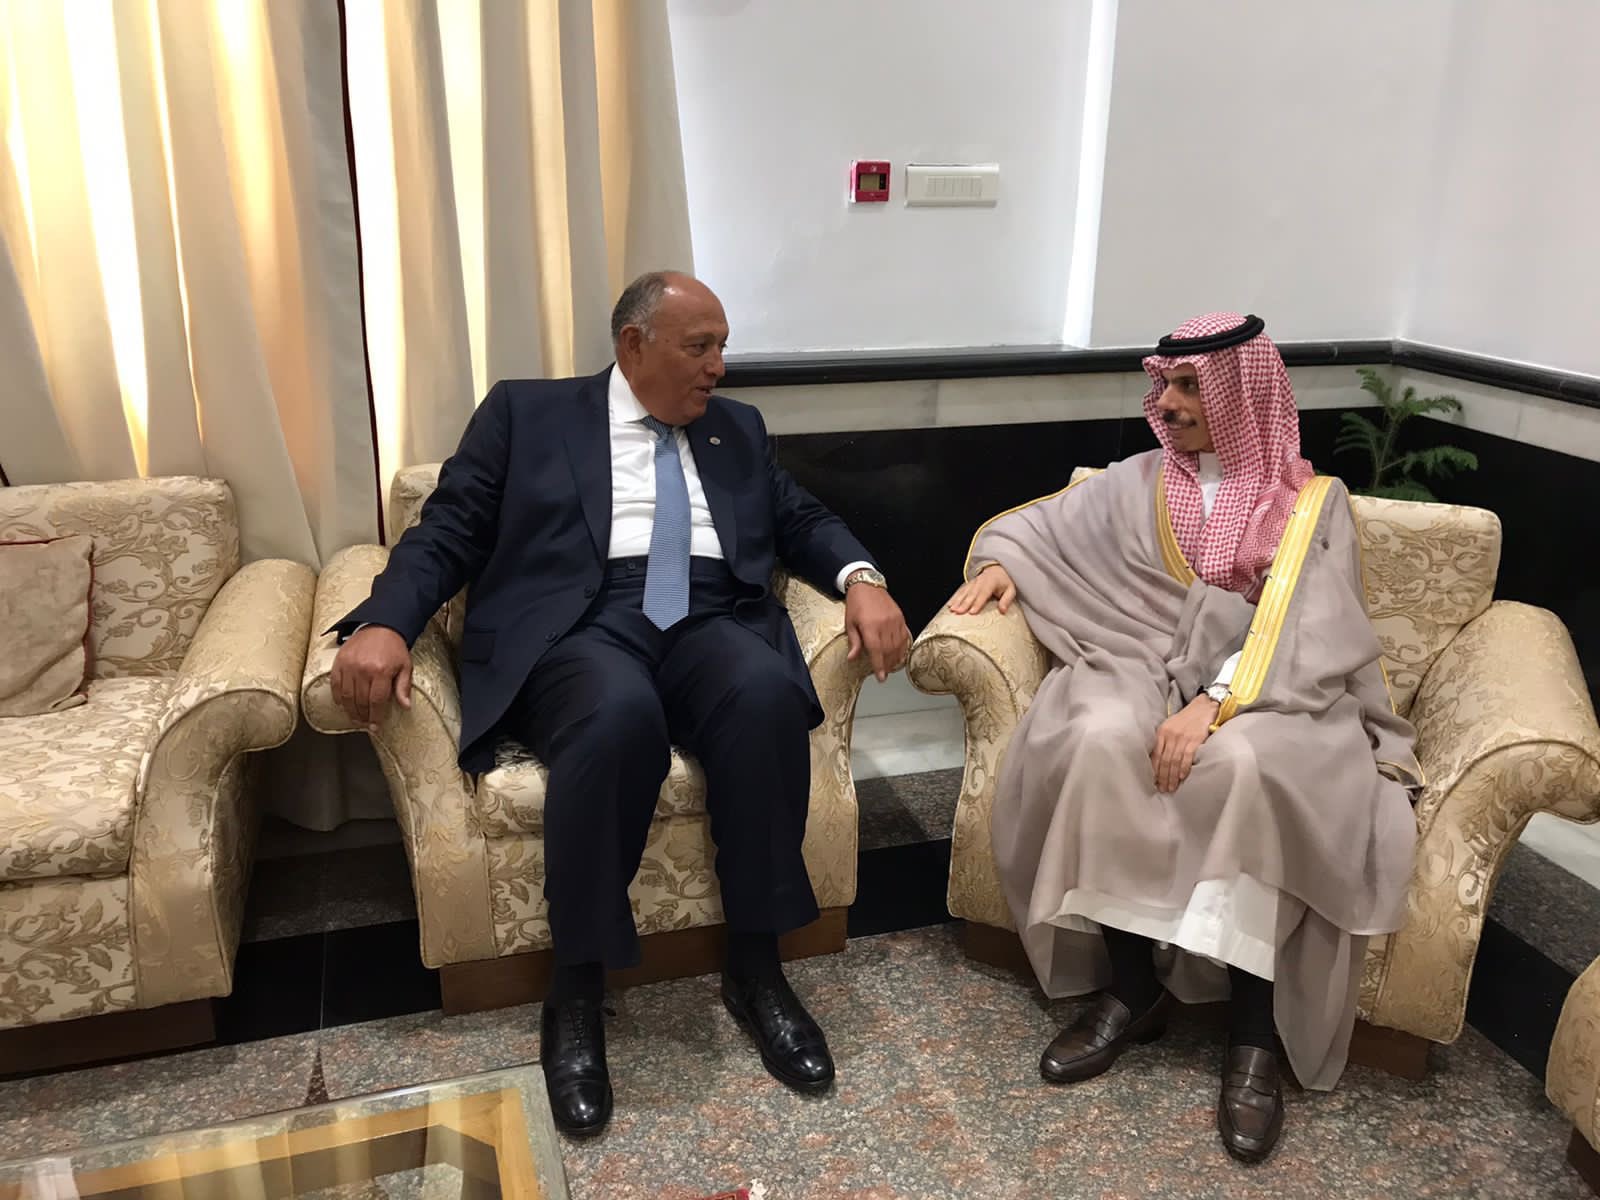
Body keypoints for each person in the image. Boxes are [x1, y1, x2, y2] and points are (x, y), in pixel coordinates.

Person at [329, 271, 911, 1137]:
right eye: (700, 346)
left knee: (764, 698)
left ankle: (756, 968)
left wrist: (863, 578)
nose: (718, 367)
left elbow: (801, 519)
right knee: (616, 719)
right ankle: (577, 986)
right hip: (582, 621)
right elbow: (447, 529)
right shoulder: (527, 413)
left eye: (722, 347)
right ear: (633, 344)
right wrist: (386, 621)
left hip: (711, 616)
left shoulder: (737, 429)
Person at [946, 312, 1419, 1163]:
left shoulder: (1310, 504)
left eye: (1192, 386)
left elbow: (1308, 637)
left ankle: (1253, 1033)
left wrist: (1214, 702)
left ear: (1241, 391)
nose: (1168, 403)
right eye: (1165, 383)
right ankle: (1133, 990)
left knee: (1242, 765)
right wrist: (1006, 565)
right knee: (1096, 735)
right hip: (1139, 664)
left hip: (1279, 695)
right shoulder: (1139, 481)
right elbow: (1036, 529)